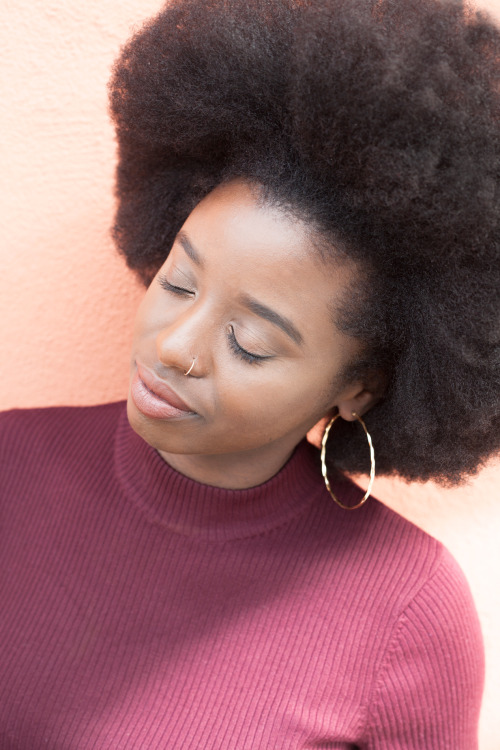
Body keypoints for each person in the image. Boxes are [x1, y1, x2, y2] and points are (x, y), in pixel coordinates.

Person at [1, 0, 499, 747]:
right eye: (178, 283)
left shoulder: (406, 614)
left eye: (251, 342)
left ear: (358, 386)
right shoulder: (11, 465)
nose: (176, 348)